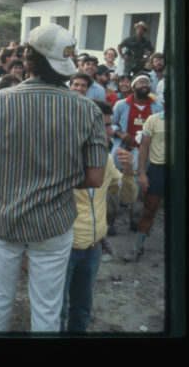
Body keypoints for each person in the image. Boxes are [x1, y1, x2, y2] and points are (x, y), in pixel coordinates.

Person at [0, 24, 107, 332]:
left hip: (5, 217)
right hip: (54, 222)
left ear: (28, 58)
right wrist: (59, 180)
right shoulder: (88, 110)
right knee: (47, 308)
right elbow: (96, 177)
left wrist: (7, 177)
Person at [60, 99, 138, 333]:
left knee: (82, 310)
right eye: (103, 125)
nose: (109, 131)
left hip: (93, 249)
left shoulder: (105, 159)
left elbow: (129, 197)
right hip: (64, 249)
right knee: (57, 311)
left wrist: (129, 170)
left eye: (110, 125)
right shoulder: (62, 158)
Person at [124, 109, 166, 262]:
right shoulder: (154, 119)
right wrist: (142, 173)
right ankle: (138, 247)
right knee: (149, 210)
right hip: (158, 169)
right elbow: (144, 148)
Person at [110, 74, 163, 173]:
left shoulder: (157, 106)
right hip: (125, 151)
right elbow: (111, 124)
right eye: (141, 83)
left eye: (147, 83)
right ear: (133, 87)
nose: (145, 85)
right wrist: (121, 134)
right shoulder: (121, 105)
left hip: (148, 154)